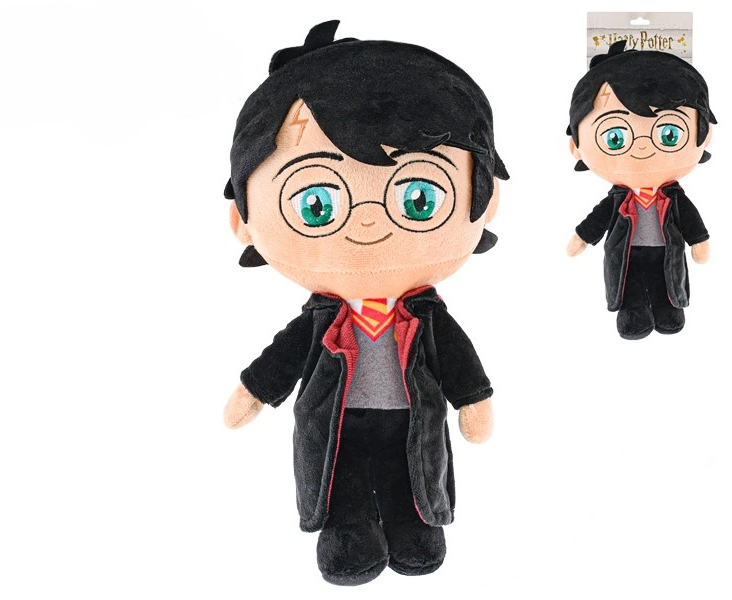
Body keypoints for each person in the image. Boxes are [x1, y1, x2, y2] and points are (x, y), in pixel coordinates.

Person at [222, 21, 507, 585]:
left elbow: (458, 361)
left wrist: (474, 400)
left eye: (419, 198)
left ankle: (414, 525)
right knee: (340, 481)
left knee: (413, 475)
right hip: (335, 424)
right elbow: (283, 358)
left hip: (413, 420)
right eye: (317, 203)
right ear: (244, 222)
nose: (369, 223)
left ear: (486, 201)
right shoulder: (320, 321)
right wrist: (253, 390)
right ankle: (348, 533)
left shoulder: (428, 317)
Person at [566, 40, 716, 339]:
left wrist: (699, 240)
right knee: (629, 285)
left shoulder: (675, 197)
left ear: (705, 136)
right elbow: (598, 219)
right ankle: (633, 312)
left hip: (666, 252)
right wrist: (582, 236)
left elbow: (690, 220)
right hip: (626, 254)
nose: (643, 147)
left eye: (669, 134)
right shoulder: (618, 199)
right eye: (615, 138)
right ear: (576, 148)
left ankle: (668, 308)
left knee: (667, 281)